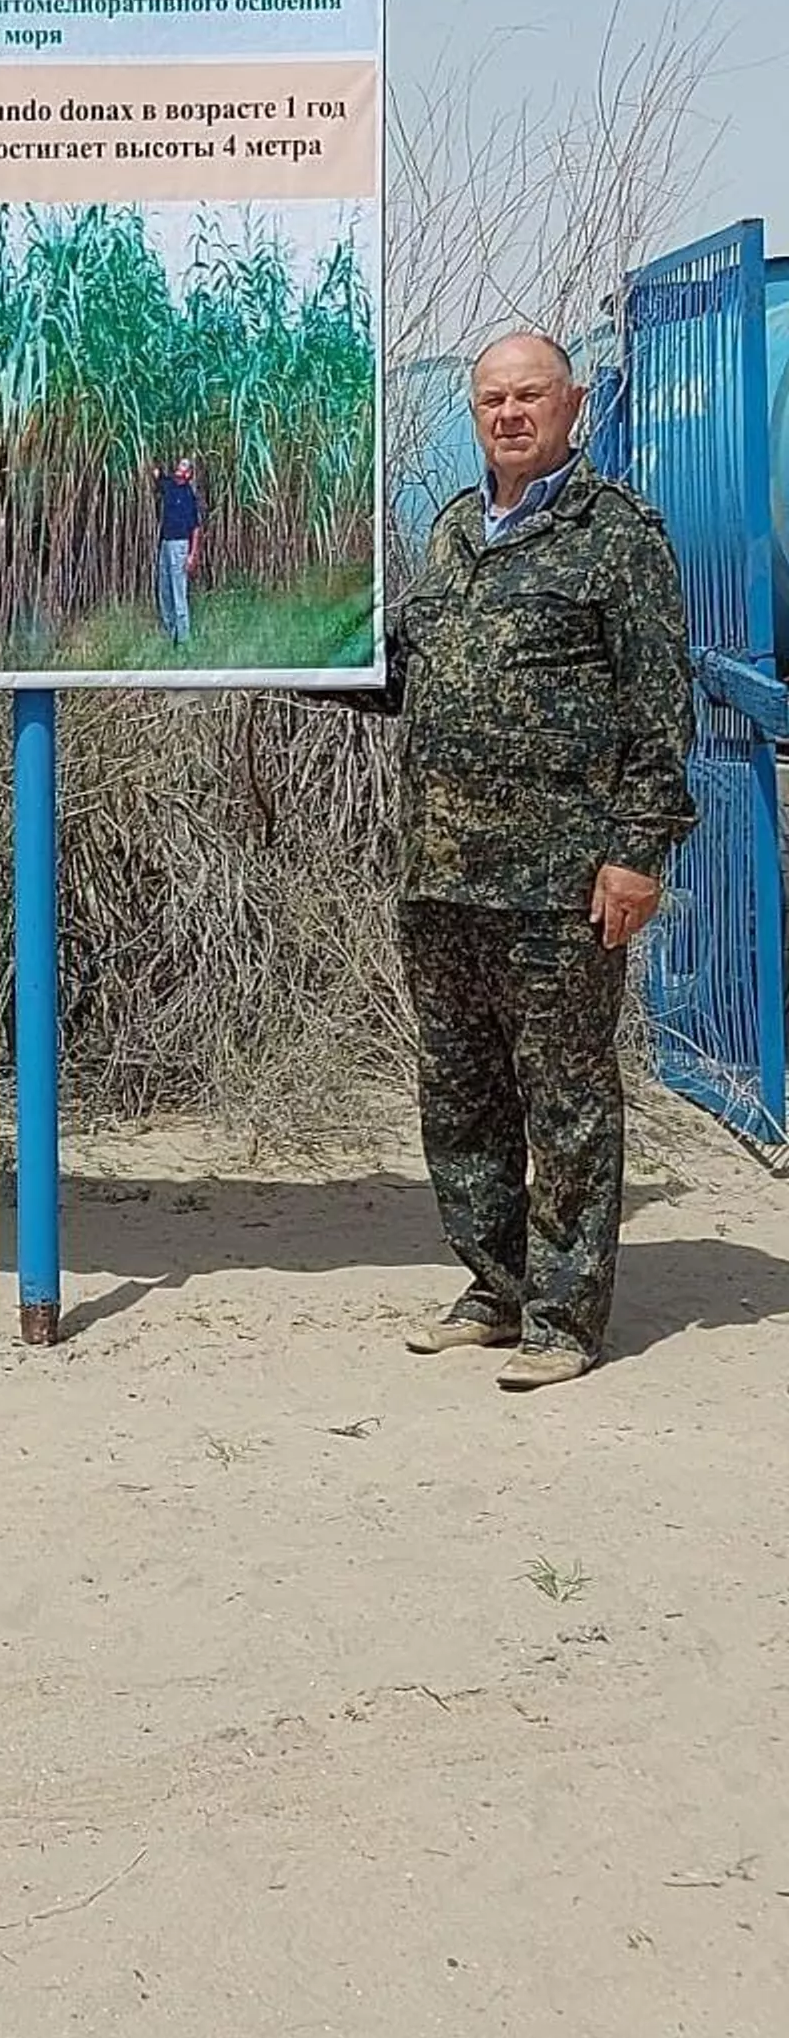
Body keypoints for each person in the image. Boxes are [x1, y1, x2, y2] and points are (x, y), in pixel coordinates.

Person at [337, 332, 696, 1389]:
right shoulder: (450, 532)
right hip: (443, 876)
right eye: (491, 397)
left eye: (528, 394)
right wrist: (276, 649)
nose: (508, 413)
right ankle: (492, 1288)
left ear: (570, 403)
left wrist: (636, 853)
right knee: (461, 1092)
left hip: (559, 882)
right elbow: (397, 674)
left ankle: (565, 1318)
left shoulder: (616, 536)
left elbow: (659, 708)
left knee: (568, 1095)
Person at [152, 455, 203, 644]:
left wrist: (192, 555)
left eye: (183, 466)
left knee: (178, 590)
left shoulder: (188, 495)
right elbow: (156, 476)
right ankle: (169, 632)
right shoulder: (170, 486)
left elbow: (196, 528)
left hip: (180, 546)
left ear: (189, 474)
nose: (178, 467)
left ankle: (183, 638)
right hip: (165, 544)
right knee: (164, 589)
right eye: (179, 464)